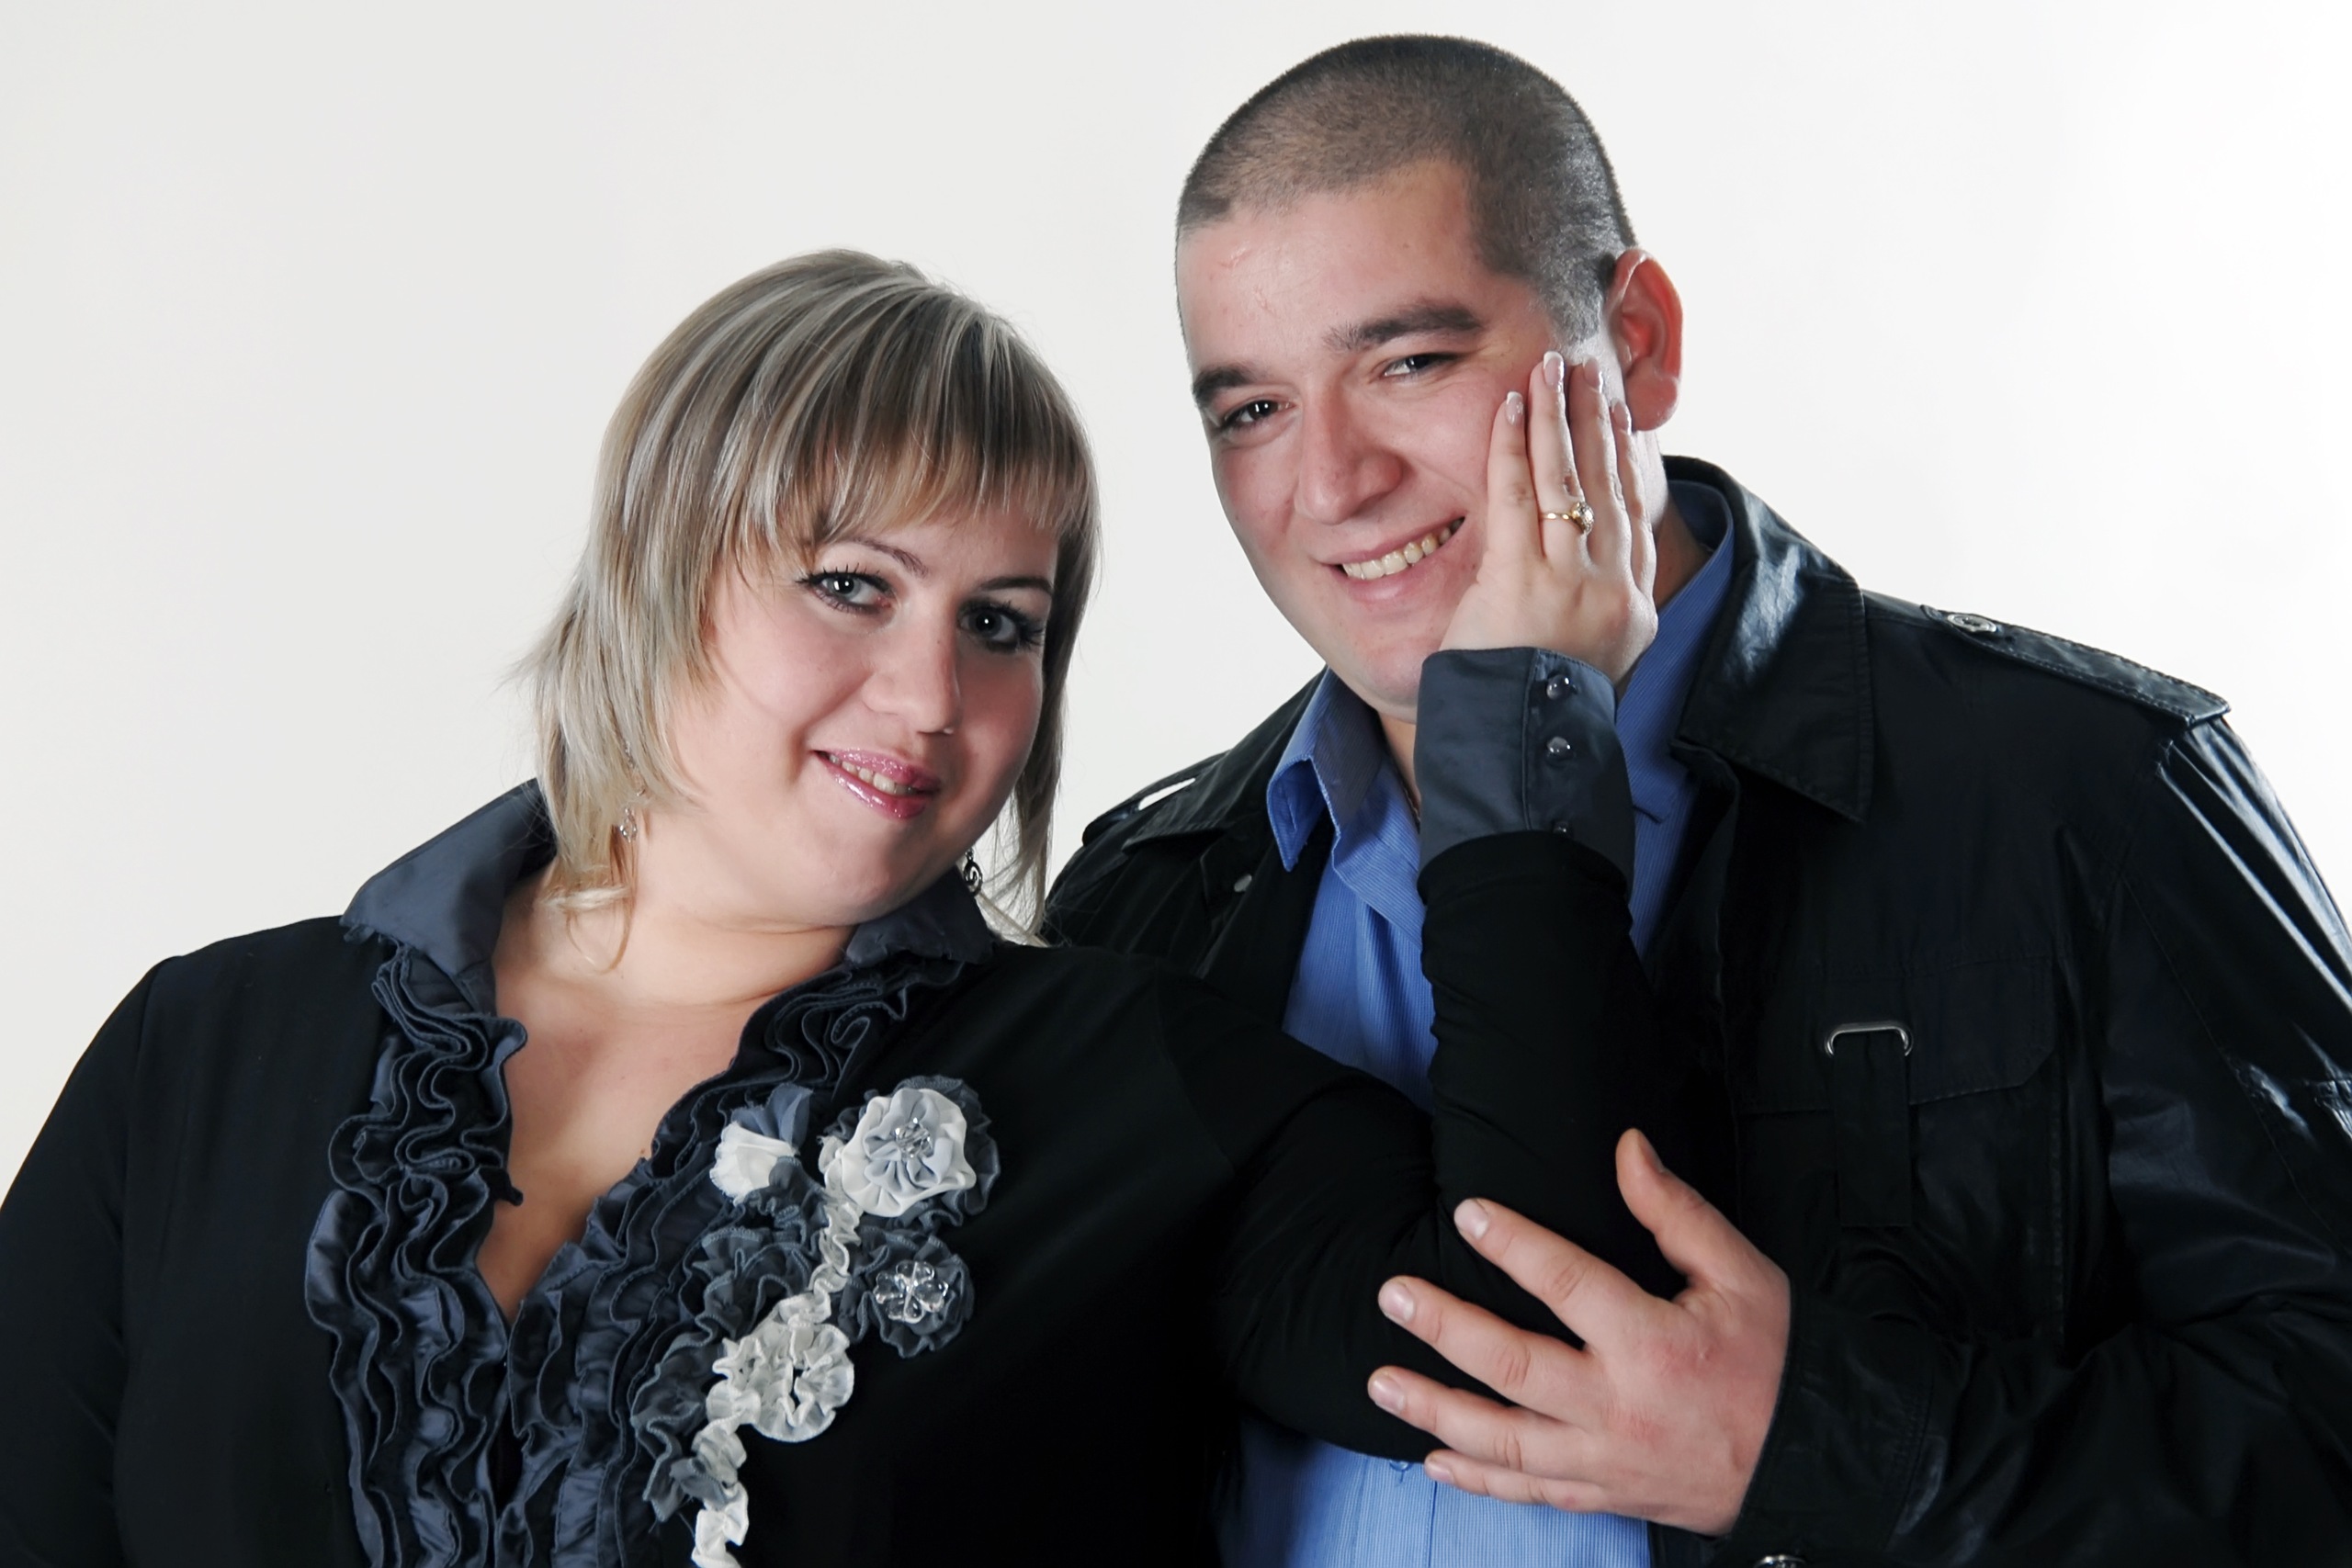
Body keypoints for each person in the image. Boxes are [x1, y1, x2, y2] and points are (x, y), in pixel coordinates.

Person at [0, 248, 1682, 1568]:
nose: (929, 697)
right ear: (659, 573)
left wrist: (1523, 716)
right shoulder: (200, 1051)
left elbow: (1540, 1347)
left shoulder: (1134, 1087)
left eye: (1001, 624)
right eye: (851, 585)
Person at [1045, 34, 2352, 1568]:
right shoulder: (1153, 897)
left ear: (1640, 342)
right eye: (1252, 411)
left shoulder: (2086, 786)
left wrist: (1824, 1447)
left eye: (1409, 364)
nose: (1330, 485)